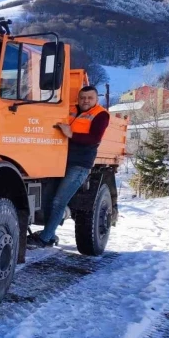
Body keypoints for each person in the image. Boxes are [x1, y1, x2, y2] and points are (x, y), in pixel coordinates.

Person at [30, 85, 111, 247]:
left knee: (59, 201)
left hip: (80, 164)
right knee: (47, 198)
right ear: (78, 98)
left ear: (96, 99)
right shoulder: (70, 109)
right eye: (83, 98)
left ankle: (45, 238)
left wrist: (71, 134)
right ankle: (49, 234)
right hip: (59, 161)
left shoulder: (101, 115)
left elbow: (94, 139)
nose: (85, 101)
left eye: (90, 98)